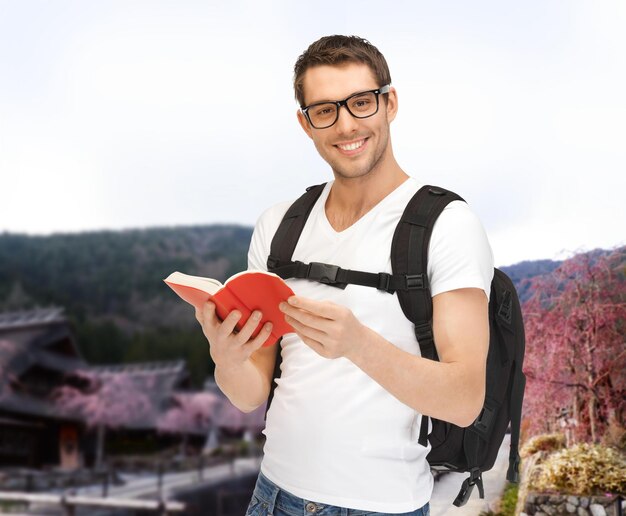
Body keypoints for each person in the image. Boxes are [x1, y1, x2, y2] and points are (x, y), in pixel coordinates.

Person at [196, 35, 494, 516]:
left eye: (360, 102)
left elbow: (464, 401)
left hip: (384, 506)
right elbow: (250, 395)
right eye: (324, 111)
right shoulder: (278, 226)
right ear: (305, 123)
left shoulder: (448, 225)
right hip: (272, 496)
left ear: (389, 102)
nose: (346, 125)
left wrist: (358, 344)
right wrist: (226, 356)